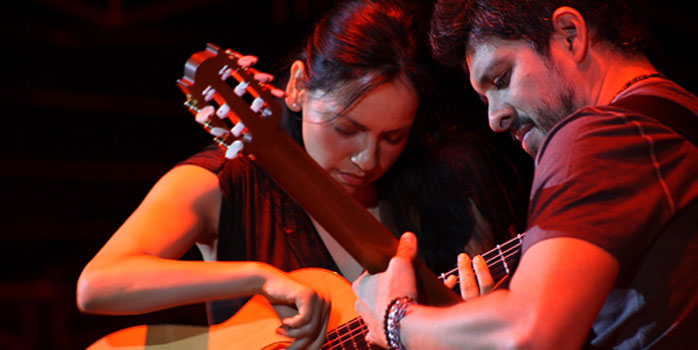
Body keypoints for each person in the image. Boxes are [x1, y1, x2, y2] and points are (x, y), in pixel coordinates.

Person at [76, 0, 525, 349]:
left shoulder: (443, 195)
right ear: (296, 87)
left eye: (393, 137)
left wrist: (468, 324)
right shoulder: (225, 183)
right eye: (346, 129)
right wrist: (257, 276)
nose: (367, 159)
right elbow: (99, 285)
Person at [352, 0, 698, 349]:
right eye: (485, 99)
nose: (495, 118)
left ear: (569, 35)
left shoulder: (596, 135)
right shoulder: (678, 110)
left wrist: (397, 320)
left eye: (501, 80)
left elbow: (529, 335)